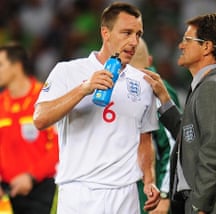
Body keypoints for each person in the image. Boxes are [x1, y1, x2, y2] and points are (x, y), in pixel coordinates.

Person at [33, 2, 160, 214]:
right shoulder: (67, 71)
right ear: (105, 33)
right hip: (79, 193)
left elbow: (145, 139)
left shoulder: (143, 84)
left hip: (125, 195)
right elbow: (40, 118)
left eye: (138, 34)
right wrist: (84, 89)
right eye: (127, 33)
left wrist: (149, 179)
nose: (133, 41)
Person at [143, 13, 216, 214]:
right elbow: (190, 138)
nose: (181, 46)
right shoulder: (206, 85)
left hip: (214, 205)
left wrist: (199, 207)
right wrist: (165, 100)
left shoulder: (213, 87)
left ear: (207, 47)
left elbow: (213, 152)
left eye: (187, 40)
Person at [0, 42, 59, 214]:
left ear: (17, 66)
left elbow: (58, 145)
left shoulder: (45, 98)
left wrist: (32, 177)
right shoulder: (1, 103)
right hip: (5, 193)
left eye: (1, 64)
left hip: (41, 191)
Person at [131, 38, 181, 214]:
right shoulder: (119, 87)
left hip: (150, 196)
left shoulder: (156, 88)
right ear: (149, 60)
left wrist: (165, 196)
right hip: (127, 193)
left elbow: (174, 146)